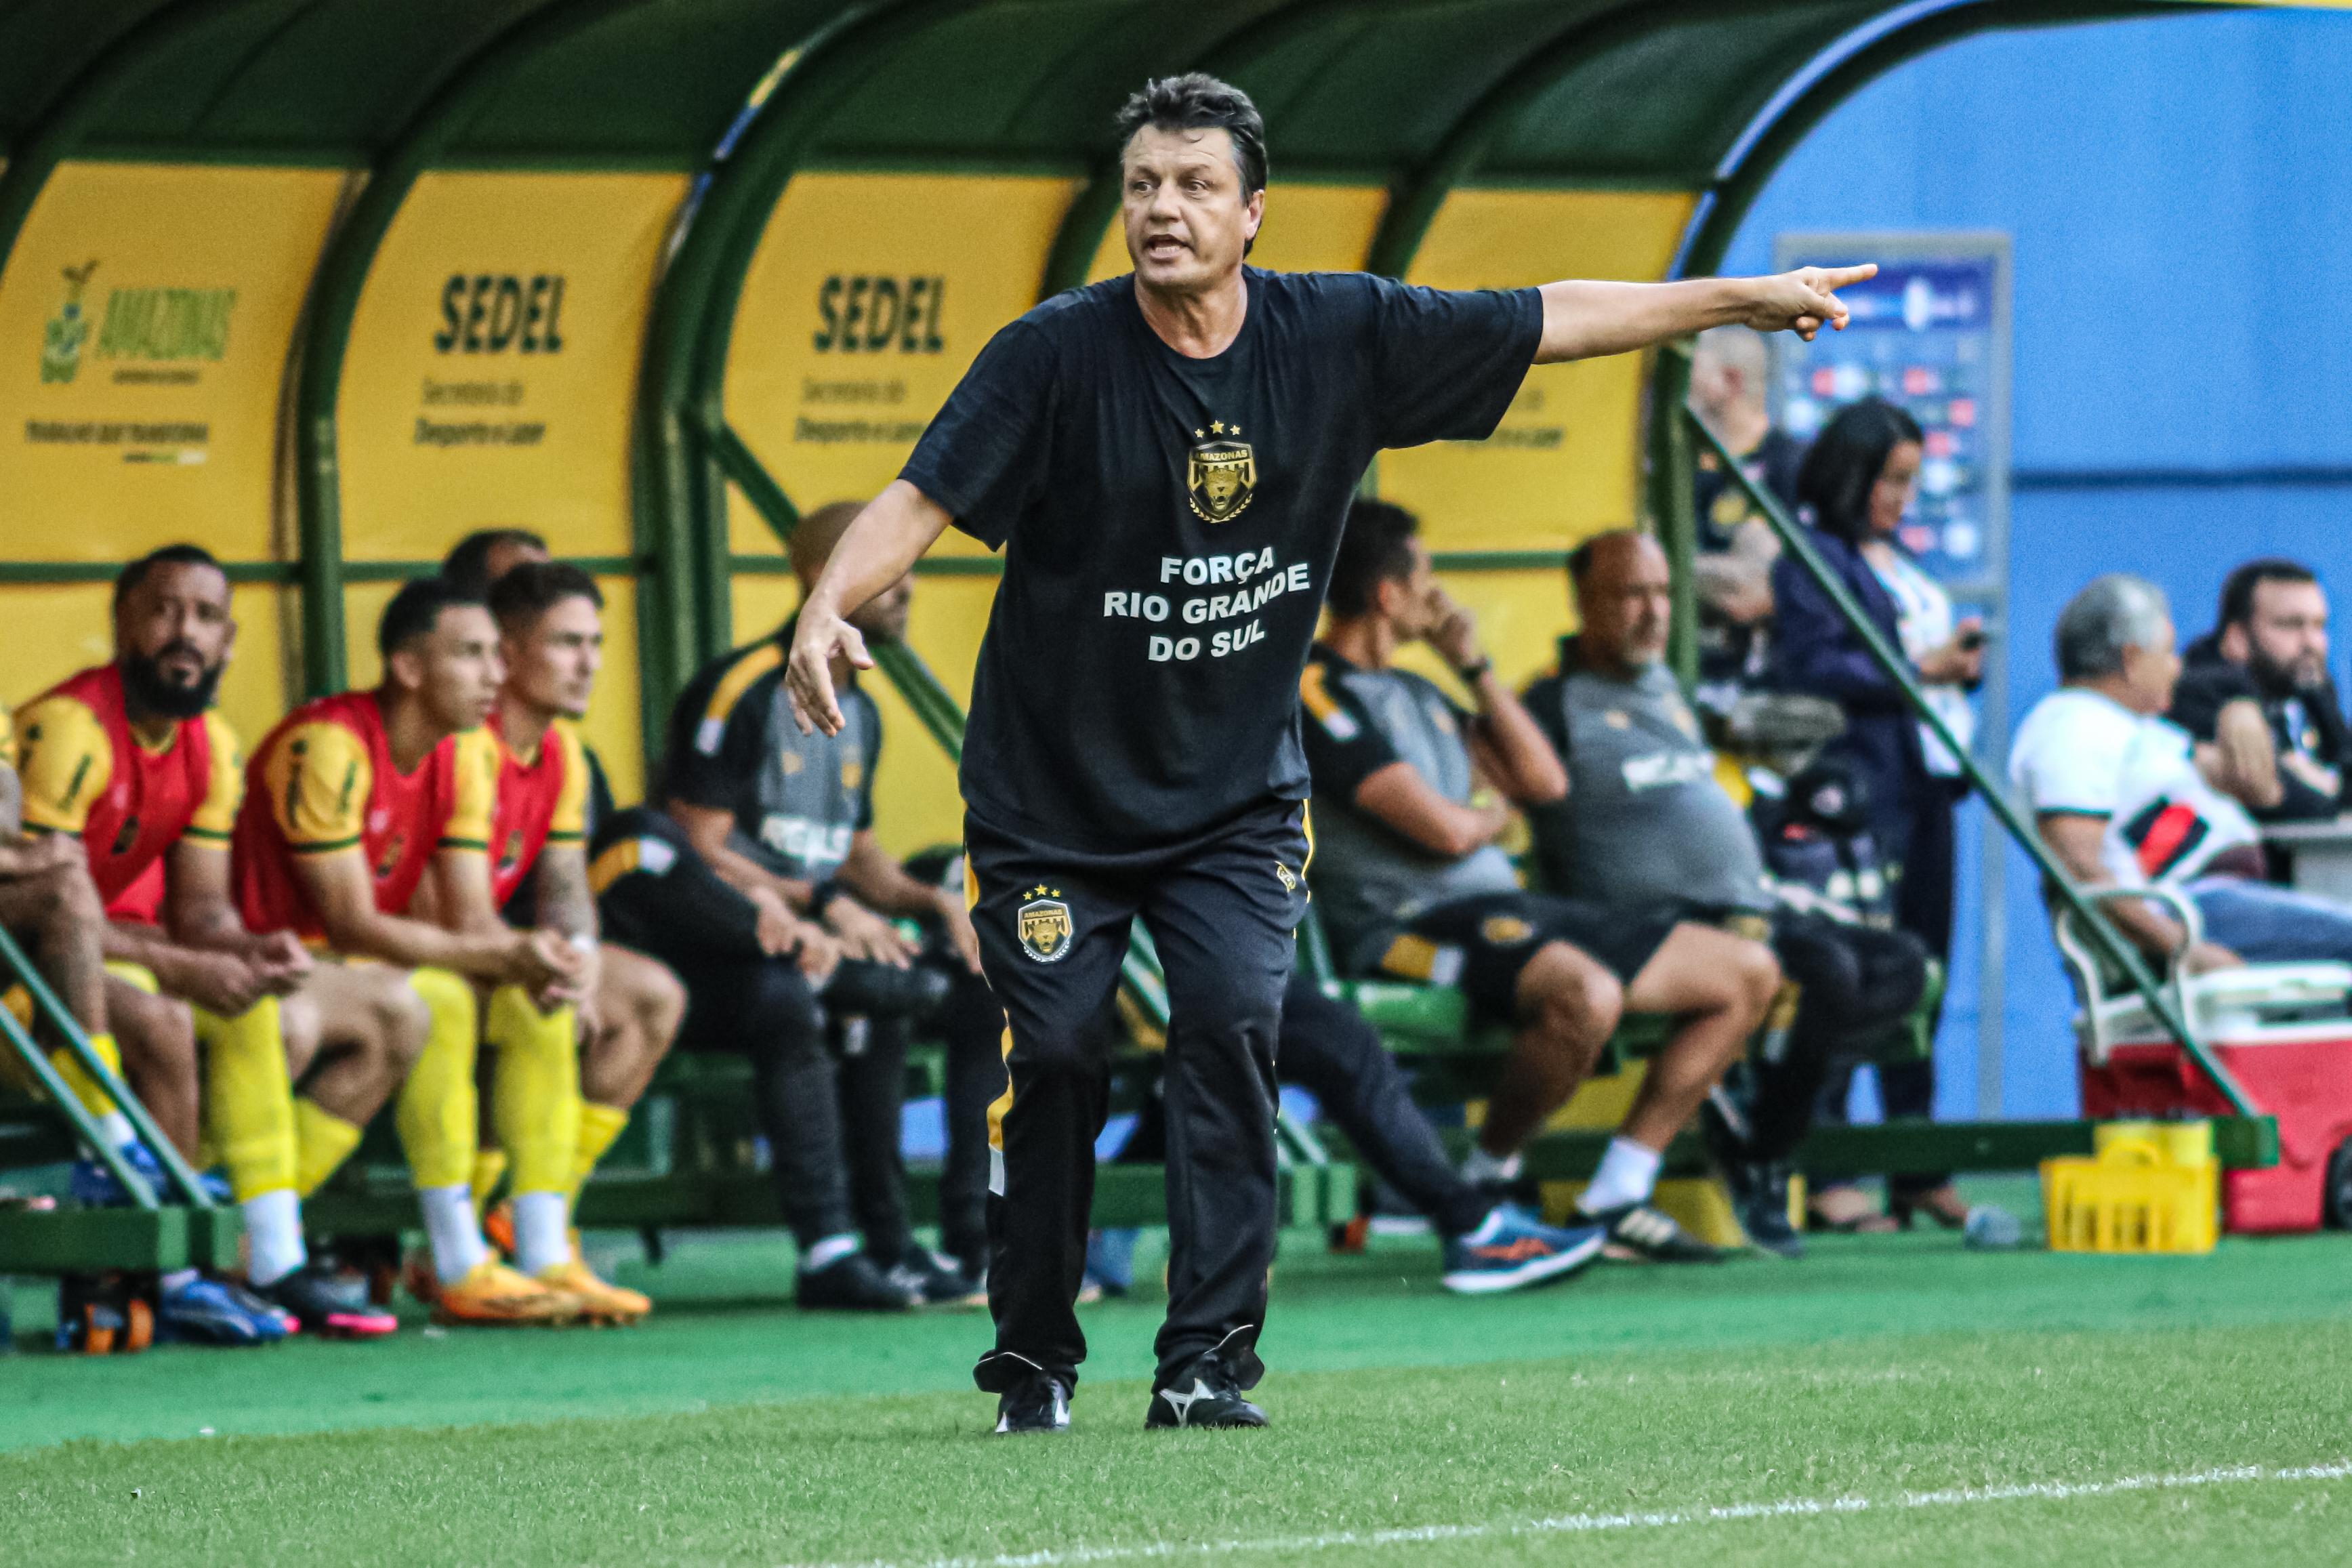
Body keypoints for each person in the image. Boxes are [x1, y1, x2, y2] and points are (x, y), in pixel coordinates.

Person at [783, 73, 1866, 1434]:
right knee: (1055, 1054)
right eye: (1141, 187)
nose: (1161, 211)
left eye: (1190, 187)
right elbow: (918, 497)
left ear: (1250, 214)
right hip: (1051, 806)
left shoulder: (1340, 330)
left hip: (1234, 805)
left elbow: (1556, 318)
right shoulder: (1050, 356)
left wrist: (1733, 298)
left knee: (1235, 1029)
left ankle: (1203, 1363)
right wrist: (827, 607)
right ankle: (1036, 1353)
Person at [1304, 501, 1778, 1267]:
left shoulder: (1426, 691)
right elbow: (1447, 830)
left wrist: (1474, 667)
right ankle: (1485, 1184)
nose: (1441, 599)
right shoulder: (1318, 688)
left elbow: (1542, 781)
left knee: (1745, 972)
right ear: (1390, 595)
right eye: (1427, 580)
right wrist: (1488, 817)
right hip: (1405, 930)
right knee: (1587, 995)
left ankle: (1617, 1194)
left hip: (1502, 912)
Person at [14, 545, 421, 1338]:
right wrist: (195, 967)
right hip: (24, 975)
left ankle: (269, 1256)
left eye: (205, 616)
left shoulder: (213, 746)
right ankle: (167, 1260)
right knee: (169, 1020)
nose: (185, 632)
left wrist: (250, 952)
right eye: (164, 610)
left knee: (250, 1010)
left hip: (104, 961)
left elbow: (203, 911)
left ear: (231, 639)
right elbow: (37, 911)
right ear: (123, 623)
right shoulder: (70, 729)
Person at [1521, 531, 1931, 1257]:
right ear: (1585, 603)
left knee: (1900, 962)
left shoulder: (1666, 686)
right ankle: (1767, 1153)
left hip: (1751, 914)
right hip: (1659, 928)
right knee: (1827, 977)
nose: (1652, 613)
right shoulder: (1551, 703)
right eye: (1630, 595)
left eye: (1662, 593)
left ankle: (1754, 1118)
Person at [620, 500, 985, 1311]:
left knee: (964, 981)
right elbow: (693, 844)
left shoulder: (864, 708)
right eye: (891, 573)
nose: (908, 590)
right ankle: (835, 1249)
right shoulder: (743, 689)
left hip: (821, 935)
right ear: (827, 577)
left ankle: (959, 1240)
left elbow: (858, 859)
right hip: (728, 949)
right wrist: (821, 904)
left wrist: (933, 902)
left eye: (910, 573)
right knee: (822, 994)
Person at [232, 577, 590, 1325]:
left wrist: (541, 961)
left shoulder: (460, 755)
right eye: (470, 654)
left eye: (497, 654)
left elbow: (470, 916)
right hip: (280, 960)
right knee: (446, 999)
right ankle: (439, 1255)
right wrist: (503, 957)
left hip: (358, 974)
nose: (495, 673)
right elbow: (352, 923)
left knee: (523, 999)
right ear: (408, 666)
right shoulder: (329, 743)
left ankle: (523, 1254)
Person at [439, 561, 686, 1322]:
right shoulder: (464, 743)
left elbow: (567, 888)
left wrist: (576, 961)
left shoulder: (564, 754)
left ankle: (534, 1216)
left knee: (649, 995)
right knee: (534, 999)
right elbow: (448, 910)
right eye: (569, 643)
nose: (591, 662)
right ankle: (475, 1241)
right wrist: (542, 968)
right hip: (426, 951)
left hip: (501, 948)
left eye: (597, 643)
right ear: (507, 653)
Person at [1770, 397, 1981, 1232]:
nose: (1901, 498)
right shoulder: (1813, 557)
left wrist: (1946, 667)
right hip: (1863, 791)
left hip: (1928, 786)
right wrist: (1918, 666)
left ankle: (1916, 1159)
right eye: (1891, 480)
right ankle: (1834, 1162)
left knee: (1926, 971)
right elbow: (1816, 663)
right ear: (1851, 472)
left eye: (1912, 482)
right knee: (1859, 971)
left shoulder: (1888, 560)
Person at [2011, 574, 2352, 970]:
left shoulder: (2141, 730)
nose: (2177, 668)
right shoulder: (2072, 726)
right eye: (2169, 653)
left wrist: (2239, 710)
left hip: (2224, 902)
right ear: (2132, 660)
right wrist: (2183, 950)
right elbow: (2078, 868)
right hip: (2193, 911)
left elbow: (2259, 789)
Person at [2168, 558, 2347, 823]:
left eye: (2319, 625)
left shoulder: (2310, 686)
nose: (2311, 642)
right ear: (2238, 638)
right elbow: (2279, 799)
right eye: (2291, 625)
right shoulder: (2203, 692)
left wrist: (2330, 782)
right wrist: (2330, 790)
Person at [1687, 325, 1804, 708]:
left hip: (1760, 694)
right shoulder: (1677, 469)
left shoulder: (1788, 467)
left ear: (1729, 381)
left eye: (1690, 368)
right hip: (1684, 680)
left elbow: (1748, 593)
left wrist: (1667, 565)